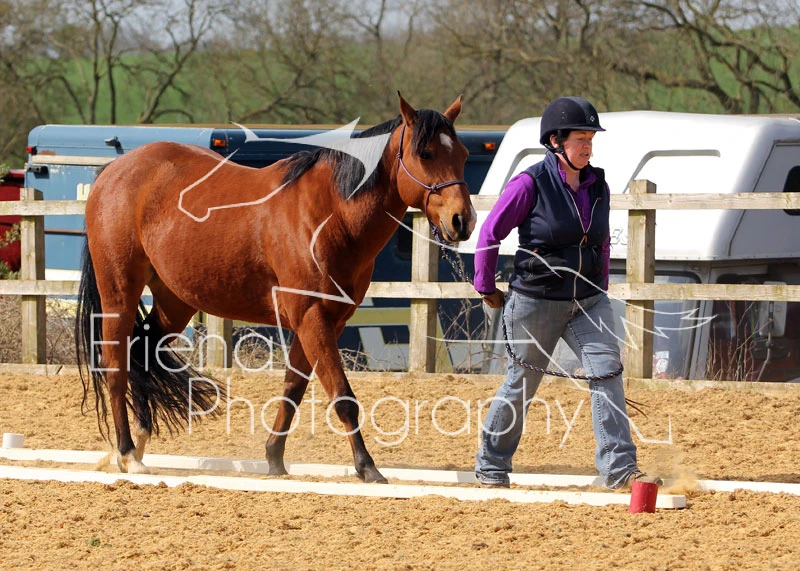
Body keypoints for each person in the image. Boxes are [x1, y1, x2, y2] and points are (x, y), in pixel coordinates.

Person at [473, 96, 662, 489]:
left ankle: (620, 469)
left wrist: (600, 287)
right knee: (521, 384)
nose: (588, 147)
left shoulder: (598, 185)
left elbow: (602, 241)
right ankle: (491, 466)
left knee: (607, 373)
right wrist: (485, 285)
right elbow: (491, 232)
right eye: (580, 139)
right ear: (555, 141)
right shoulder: (529, 184)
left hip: (588, 303)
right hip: (535, 303)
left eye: (591, 139)